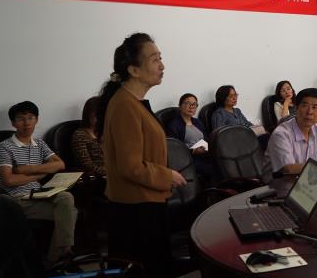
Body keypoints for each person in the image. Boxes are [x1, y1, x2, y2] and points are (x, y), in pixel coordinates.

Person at [96, 33, 185, 278]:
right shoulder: (125, 105)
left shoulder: (131, 102)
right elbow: (130, 167)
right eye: (155, 59)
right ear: (134, 70)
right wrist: (167, 175)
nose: (162, 65)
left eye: (161, 58)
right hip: (136, 211)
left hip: (144, 203)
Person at [0, 101, 76, 265]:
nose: (27, 123)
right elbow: (9, 180)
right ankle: (58, 258)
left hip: (38, 195)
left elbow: (60, 164)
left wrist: (28, 169)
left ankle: (56, 258)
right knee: (71, 213)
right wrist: (38, 176)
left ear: (36, 120)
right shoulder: (4, 147)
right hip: (16, 200)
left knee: (66, 197)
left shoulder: (40, 144)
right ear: (13, 123)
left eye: (31, 118)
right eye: (21, 119)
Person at [165, 93, 215, 185]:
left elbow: (206, 139)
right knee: (213, 168)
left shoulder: (198, 122)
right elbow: (175, 150)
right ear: (180, 106)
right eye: (188, 103)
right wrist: (193, 151)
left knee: (223, 161)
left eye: (194, 104)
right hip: (190, 159)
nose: (191, 106)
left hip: (205, 154)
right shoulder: (174, 125)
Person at [71, 96, 106, 178]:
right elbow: (87, 164)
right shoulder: (80, 135)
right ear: (88, 115)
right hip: (96, 176)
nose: (101, 118)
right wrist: (110, 172)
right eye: (97, 115)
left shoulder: (105, 132)